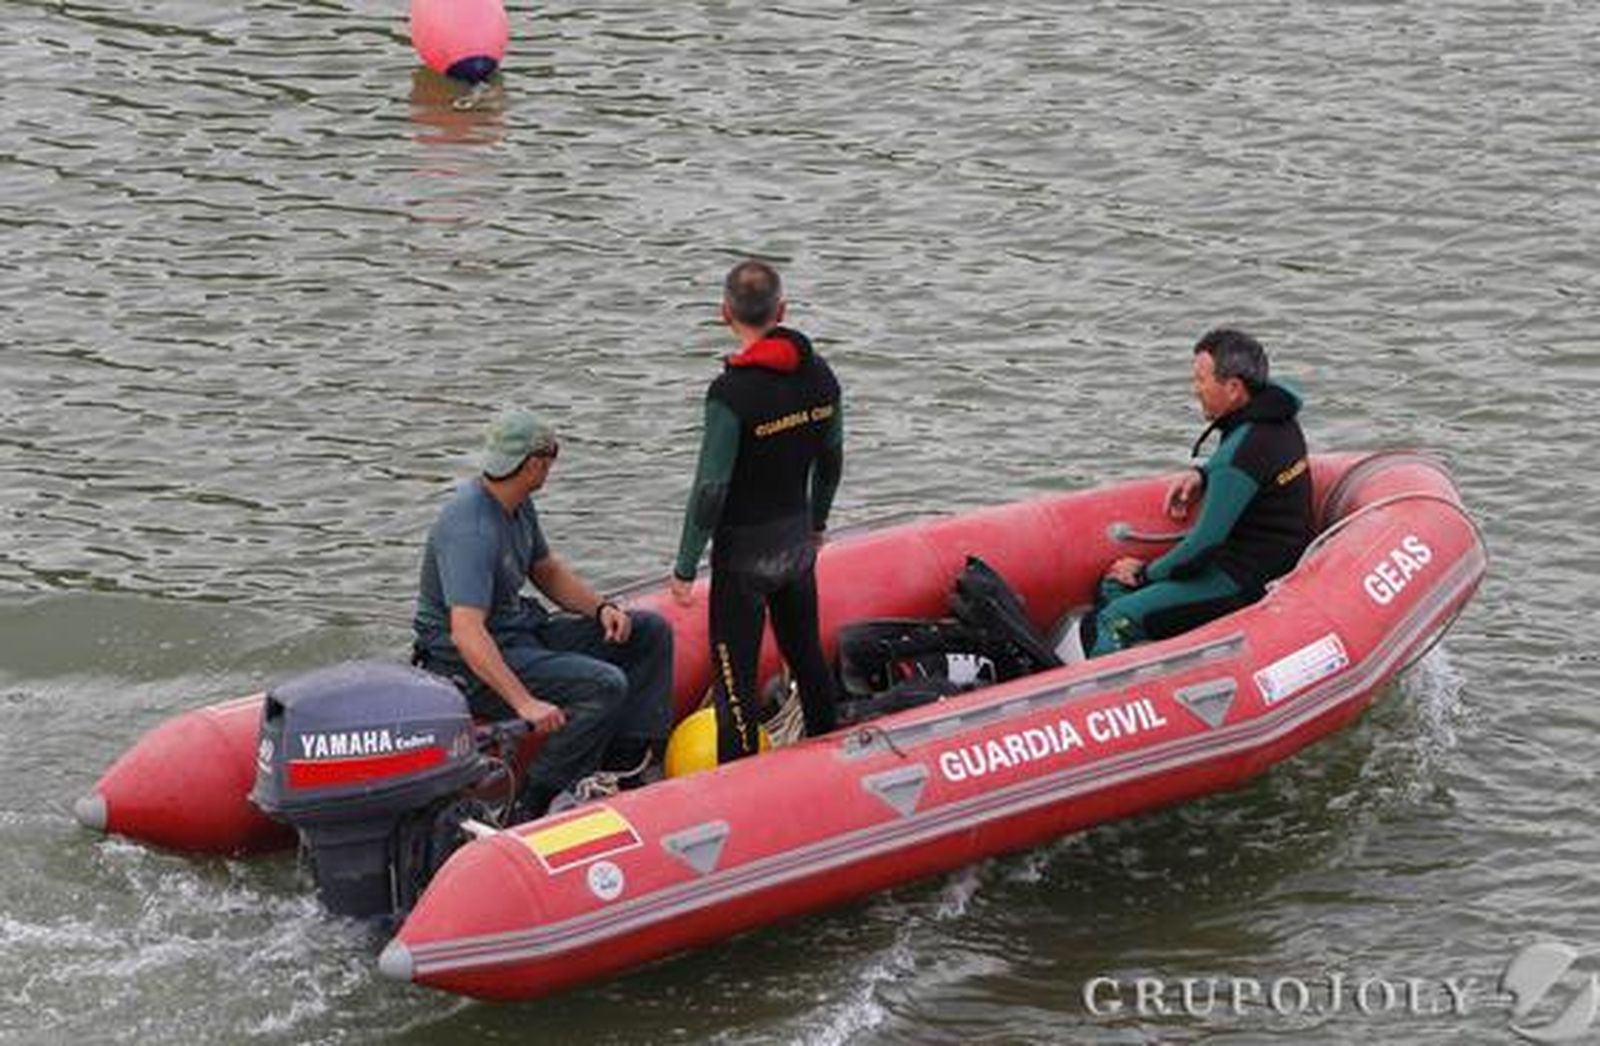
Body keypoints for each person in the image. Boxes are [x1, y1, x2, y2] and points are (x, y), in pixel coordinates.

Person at [413, 408, 672, 815]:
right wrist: (524, 703)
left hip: (521, 631)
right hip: (464, 661)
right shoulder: (471, 528)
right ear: (534, 464)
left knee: (649, 632)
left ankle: (623, 766)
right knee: (602, 685)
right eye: (551, 458)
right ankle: (535, 799)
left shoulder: (517, 503)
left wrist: (601, 607)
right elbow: (466, 632)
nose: (551, 468)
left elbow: (545, 569)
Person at [669, 260, 844, 763]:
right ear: (782, 309)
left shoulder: (731, 394)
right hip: (794, 545)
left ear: (725, 313)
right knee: (807, 657)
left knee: (736, 686)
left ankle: (741, 785)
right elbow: (831, 460)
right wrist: (817, 525)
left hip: (743, 559)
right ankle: (832, 761)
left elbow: (711, 488)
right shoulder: (820, 374)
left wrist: (685, 567)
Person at [1087, 329, 1312, 657]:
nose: (1196, 389)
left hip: (1241, 582)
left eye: (1201, 379)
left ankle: (1106, 703)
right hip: (1276, 565)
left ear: (1234, 388)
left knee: (1114, 612)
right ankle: (1162, 654)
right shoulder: (1279, 421)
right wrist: (1203, 474)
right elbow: (1255, 471)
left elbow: (1204, 544)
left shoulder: (1239, 455)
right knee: (1119, 587)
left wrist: (1146, 573)